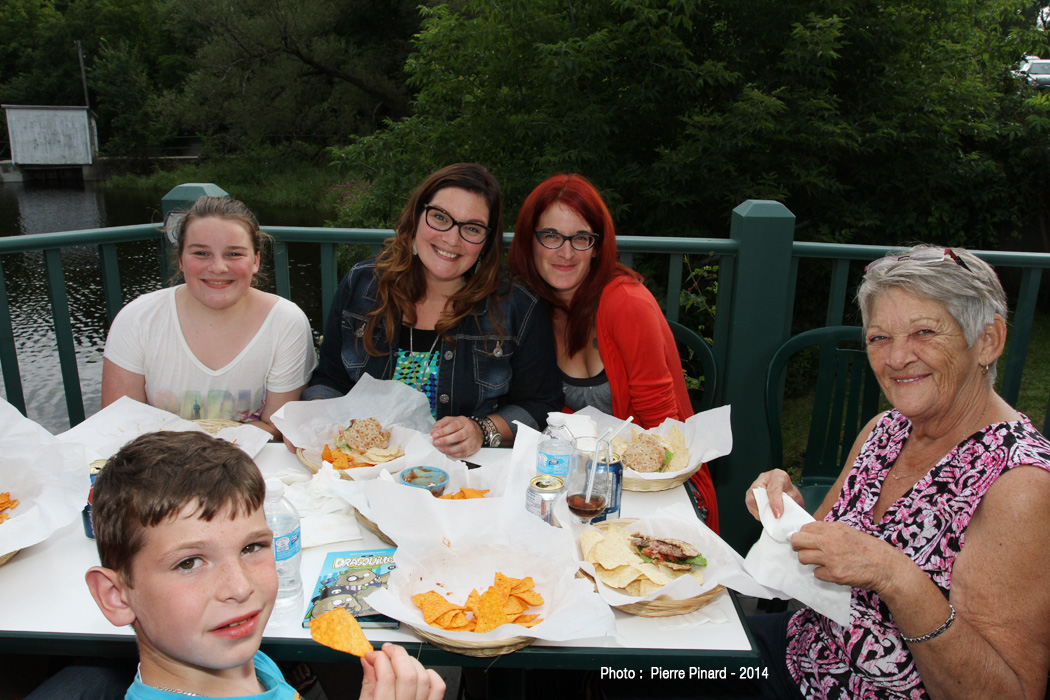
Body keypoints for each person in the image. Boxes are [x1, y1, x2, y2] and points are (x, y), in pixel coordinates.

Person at [739, 245, 1050, 699]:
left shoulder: (1020, 485)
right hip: (800, 652)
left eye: (924, 331)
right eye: (880, 337)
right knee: (638, 663)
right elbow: (822, 548)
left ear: (987, 341)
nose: (897, 358)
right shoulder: (884, 430)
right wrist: (786, 514)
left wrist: (895, 577)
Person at [73, 430, 444, 700]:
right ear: (117, 596)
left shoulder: (247, 661)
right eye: (189, 563)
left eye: (252, 547)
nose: (240, 588)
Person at [303, 163, 562, 458]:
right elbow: (329, 380)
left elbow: (541, 404)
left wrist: (481, 429)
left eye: (472, 228)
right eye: (440, 217)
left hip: (461, 479)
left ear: (486, 242)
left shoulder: (517, 305)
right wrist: (314, 418)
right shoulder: (361, 286)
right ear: (416, 216)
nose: (452, 239)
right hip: (360, 468)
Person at [507, 173, 718, 530]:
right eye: (551, 236)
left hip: (656, 491)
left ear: (598, 245)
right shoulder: (530, 306)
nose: (566, 251)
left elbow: (663, 432)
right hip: (579, 487)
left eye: (581, 238)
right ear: (530, 242)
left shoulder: (626, 303)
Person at [101, 196, 317, 439]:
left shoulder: (286, 323)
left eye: (234, 254)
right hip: (156, 467)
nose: (218, 267)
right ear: (181, 259)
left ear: (255, 261)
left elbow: (276, 426)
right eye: (201, 253)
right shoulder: (137, 319)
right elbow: (119, 425)